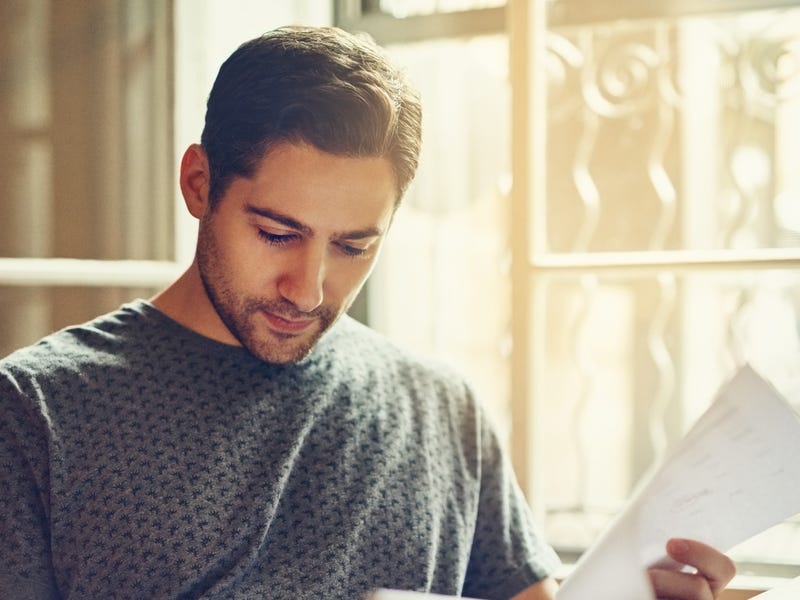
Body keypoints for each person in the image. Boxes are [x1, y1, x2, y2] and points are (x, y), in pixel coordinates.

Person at [0, 25, 735, 600]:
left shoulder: (442, 409)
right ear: (199, 184)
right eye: (277, 234)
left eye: (353, 245)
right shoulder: (38, 412)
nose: (309, 287)